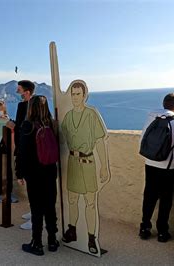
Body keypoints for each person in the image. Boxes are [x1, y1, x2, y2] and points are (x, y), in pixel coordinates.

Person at [61, 81, 110, 255]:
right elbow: (62, 140)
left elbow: (99, 142)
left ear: (84, 95)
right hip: (72, 162)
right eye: (72, 94)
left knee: (90, 203)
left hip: (88, 163)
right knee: (72, 200)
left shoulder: (91, 114)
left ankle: (91, 238)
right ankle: (72, 231)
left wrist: (104, 167)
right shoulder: (67, 117)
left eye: (78, 94)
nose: (75, 97)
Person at [16, 95, 59, 256]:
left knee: (36, 209)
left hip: (33, 173)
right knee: (50, 206)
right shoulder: (51, 124)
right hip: (50, 170)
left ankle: (37, 243)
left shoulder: (27, 125)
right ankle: (53, 240)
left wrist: (19, 173)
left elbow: (22, 152)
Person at [139, 93, 174, 242]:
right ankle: (162, 232)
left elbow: (143, 138)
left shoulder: (152, 117)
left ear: (164, 104)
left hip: (150, 163)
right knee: (165, 199)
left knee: (149, 196)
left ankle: (145, 228)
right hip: (167, 167)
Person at [6, 80, 35, 230]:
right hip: (29, 149)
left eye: (19, 90)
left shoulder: (25, 106)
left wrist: (12, 126)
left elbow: (21, 127)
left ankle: (35, 217)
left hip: (28, 149)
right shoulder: (35, 105)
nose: (18, 93)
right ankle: (33, 211)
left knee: (32, 184)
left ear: (27, 92)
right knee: (31, 184)